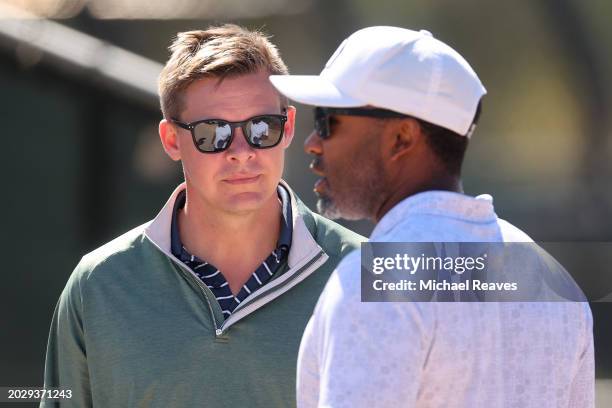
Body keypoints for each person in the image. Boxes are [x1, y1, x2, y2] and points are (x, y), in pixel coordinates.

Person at [40, 24, 363, 407]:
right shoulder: (97, 286)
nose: (242, 152)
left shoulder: (367, 271)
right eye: (213, 133)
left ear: (288, 126)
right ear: (171, 140)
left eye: (263, 128)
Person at [270, 26, 594, 407]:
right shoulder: (552, 280)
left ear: (402, 138)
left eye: (327, 120)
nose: (312, 143)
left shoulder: (377, 283)